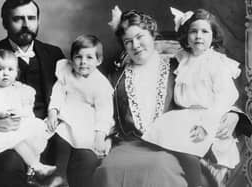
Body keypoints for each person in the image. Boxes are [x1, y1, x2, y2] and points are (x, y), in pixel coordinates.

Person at [93, 7, 252, 187]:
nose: (135, 45)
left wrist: (234, 115)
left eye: (140, 37)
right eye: (128, 41)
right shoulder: (117, 77)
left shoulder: (179, 65)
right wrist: (103, 136)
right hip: (130, 144)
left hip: (174, 145)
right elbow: (106, 111)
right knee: (107, 169)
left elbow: (209, 94)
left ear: (152, 35)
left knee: (159, 166)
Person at [142, 8, 242, 187]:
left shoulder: (216, 62)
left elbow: (225, 98)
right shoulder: (181, 60)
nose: (198, 36)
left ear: (213, 36)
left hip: (208, 118)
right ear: (186, 36)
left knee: (191, 157)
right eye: (193, 31)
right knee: (159, 154)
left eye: (205, 31)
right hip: (182, 117)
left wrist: (207, 124)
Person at [0, 0, 67, 186]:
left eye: (31, 18)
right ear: (5, 23)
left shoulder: (54, 54)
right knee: (9, 165)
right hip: (9, 138)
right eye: (18, 19)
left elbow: (69, 95)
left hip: (49, 134)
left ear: (38, 21)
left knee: (78, 157)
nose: (26, 24)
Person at [0, 49, 55, 177]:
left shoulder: (21, 90)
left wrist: (20, 113)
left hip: (19, 125)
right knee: (17, 143)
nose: (5, 74)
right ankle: (37, 167)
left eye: (10, 70)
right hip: (0, 131)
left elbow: (27, 110)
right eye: (0, 69)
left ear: (17, 73)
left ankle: (33, 170)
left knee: (29, 139)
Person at [46, 34, 114, 187]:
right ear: (71, 59)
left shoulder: (100, 84)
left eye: (89, 57)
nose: (83, 62)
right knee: (60, 137)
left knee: (84, 146)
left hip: (87, 119)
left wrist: (100, 134)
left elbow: (104, 112)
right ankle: (59, 175)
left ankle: (70, 177)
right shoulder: (66, 71)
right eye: (78, 57)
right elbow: (57, 92)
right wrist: (53, 112)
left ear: (99, 60)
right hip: (67, 113)